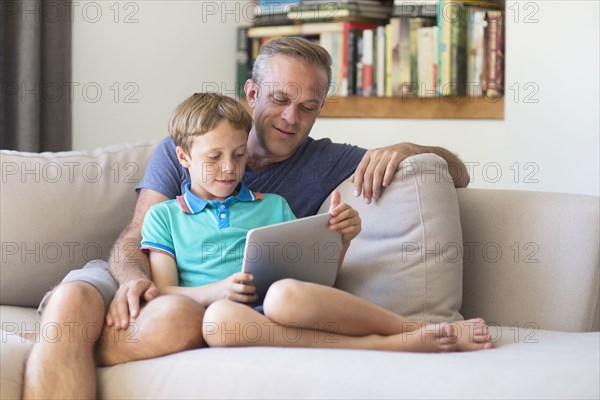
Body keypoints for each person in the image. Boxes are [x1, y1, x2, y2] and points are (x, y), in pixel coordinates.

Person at [23, 37, 487, 400]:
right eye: (281, 98)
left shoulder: (328, 161)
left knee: (183, 320)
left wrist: (405, 151)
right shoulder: (187, 145)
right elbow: (137, 236)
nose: (291, 118)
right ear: (252, 92)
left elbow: (457, 172)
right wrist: (130, 283)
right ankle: (81, 334)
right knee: (72, 306)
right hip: (145, 275)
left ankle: (88, 346)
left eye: (309, 107)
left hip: (220, 306)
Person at [143, 92, 360, 317]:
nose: (229, 167)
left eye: (238, 155)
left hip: (280, 309)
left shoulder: (275, 206)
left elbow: (315, 282)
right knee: (221, 318)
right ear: (183, 157)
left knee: (286, 297)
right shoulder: (164, 217)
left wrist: (340, 239)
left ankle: (392, 333)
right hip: (218, 318)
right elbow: (163, 292)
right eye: (215, 157)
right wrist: (215, 293)